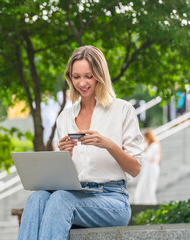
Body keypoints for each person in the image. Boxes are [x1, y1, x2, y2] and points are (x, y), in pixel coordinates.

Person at [17, 45, 143, 240]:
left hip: (112, 199)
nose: (82, 83)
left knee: (61, 199)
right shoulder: (65, 117)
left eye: (88, 76)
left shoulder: (123, 110)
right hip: (76, 193)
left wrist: (108, 145)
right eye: (76, 77)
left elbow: (135, 169)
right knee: (37, 198)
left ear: (100, 76)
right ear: (70, 78)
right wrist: (64, 156)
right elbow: (66, 176)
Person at [133, 129, 162, 204]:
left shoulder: (154, 145)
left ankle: (152, 203)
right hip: (147, 168)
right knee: (143, 187)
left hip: (152, 168)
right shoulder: (147, 145)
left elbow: (148, 156)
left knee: (150, 188)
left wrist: (139, 154)